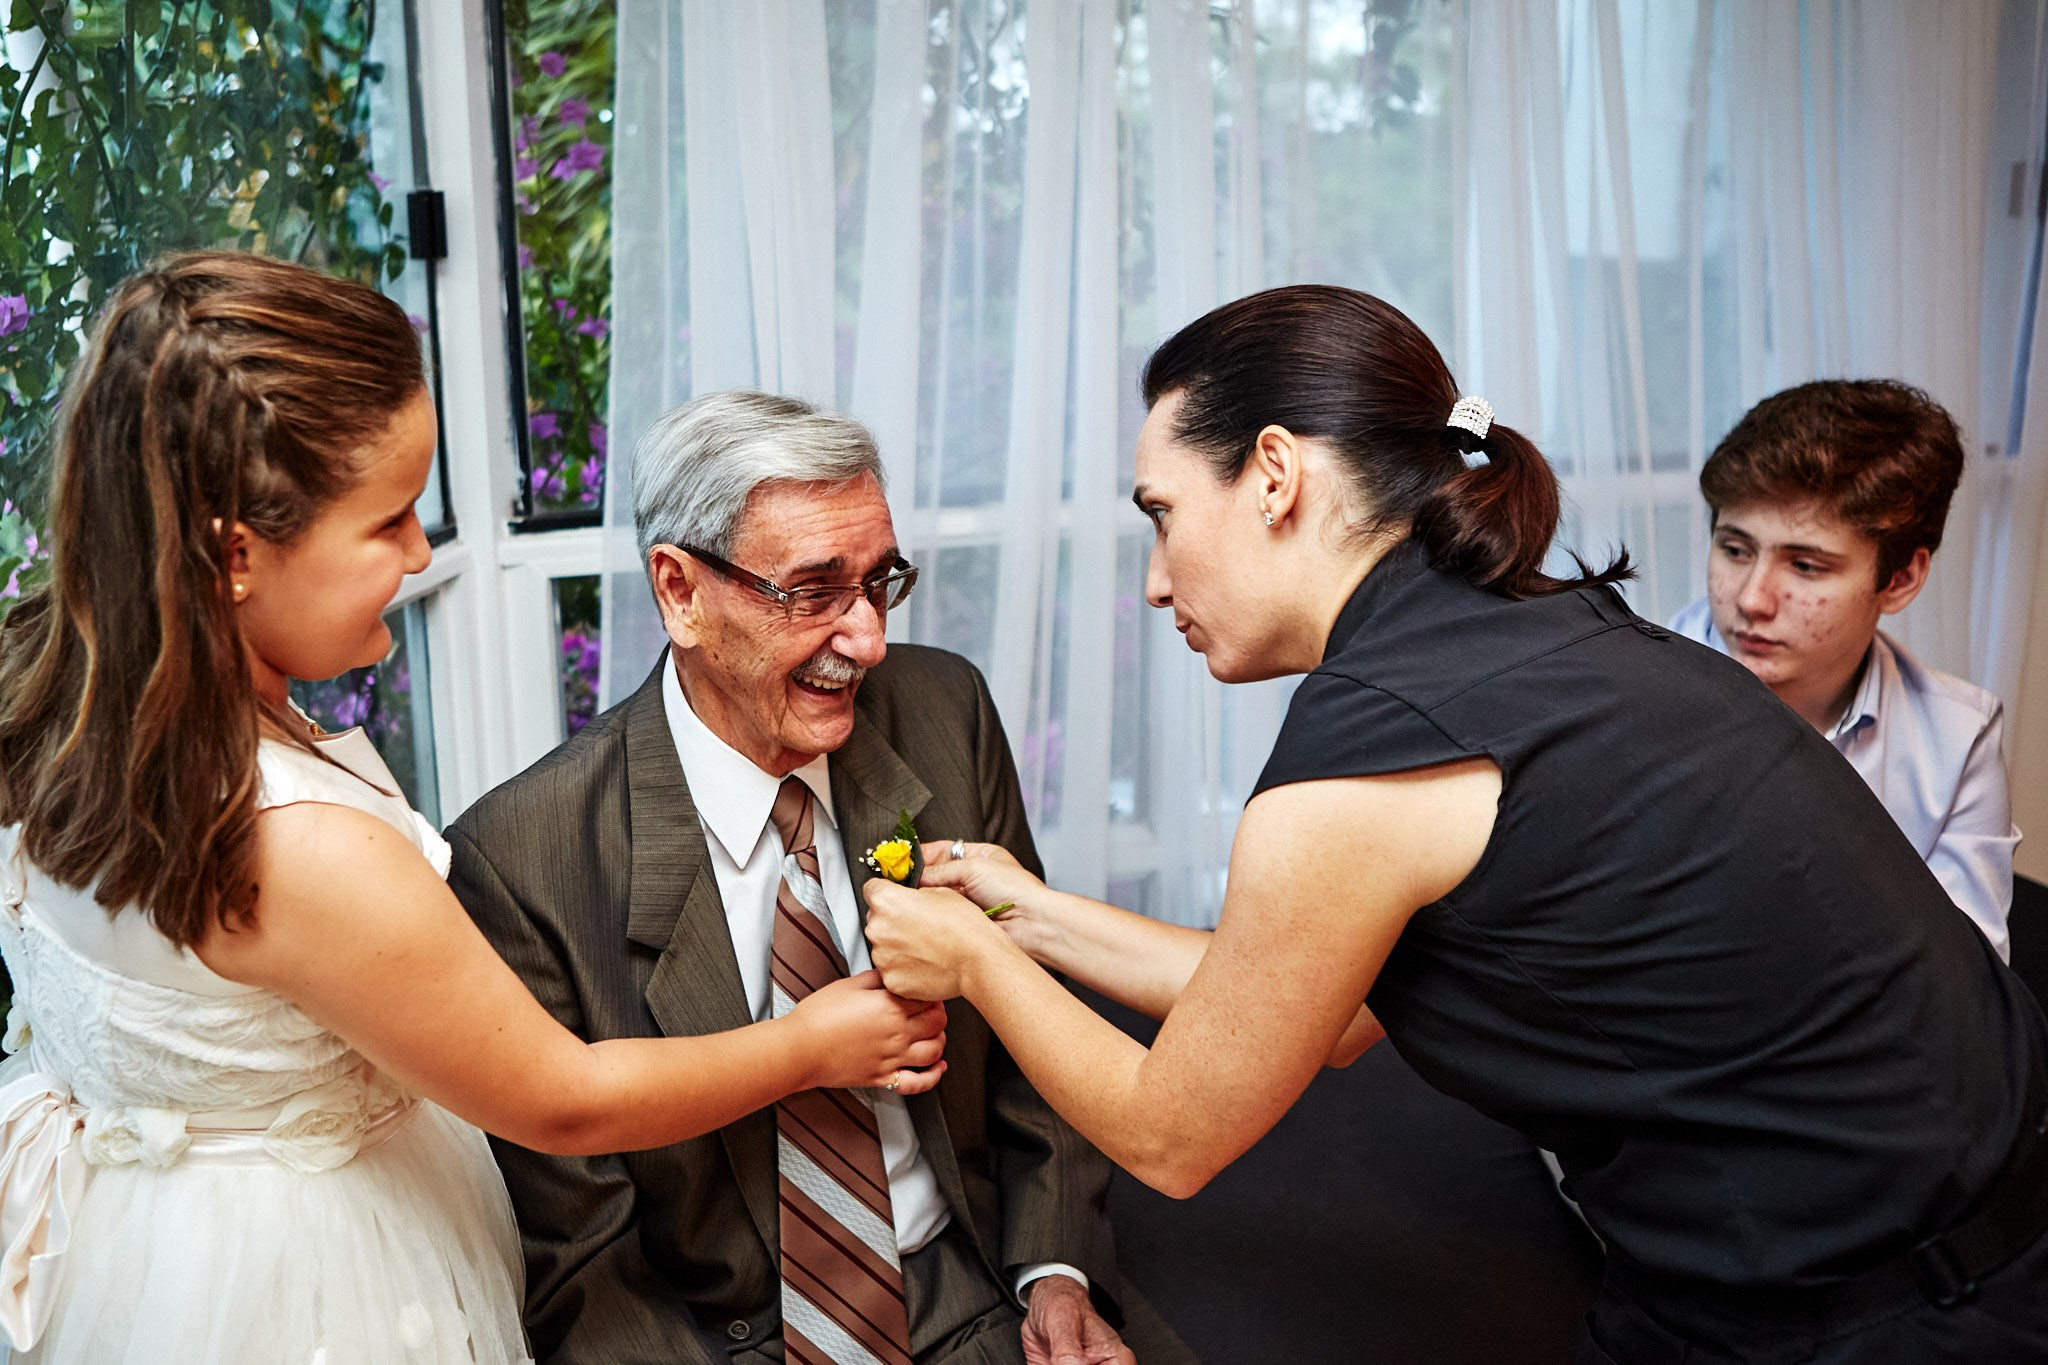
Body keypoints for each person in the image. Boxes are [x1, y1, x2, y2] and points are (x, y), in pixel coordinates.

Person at [860, 284, 2048, 1365]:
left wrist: (969, 962)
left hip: (1897, 1305)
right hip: (1874, 1238)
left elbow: (1173, 1135)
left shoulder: (1368, 752)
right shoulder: (1528, 628)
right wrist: (1024, 914)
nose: (1157, 579)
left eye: (1162, 515)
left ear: (1272, 475)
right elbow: (1311, 1014)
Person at [0, 254, 947, 1364]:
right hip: (315, 1295)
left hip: (137, 1238)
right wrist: (807, 1045)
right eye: (389, 521)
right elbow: (564, 1100)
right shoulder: (299, 848)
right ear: (236, 553)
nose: (419, 552)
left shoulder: (55, 703)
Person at [448, 391, 1188, 1365]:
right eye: (812, 591)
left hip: (980, 1296)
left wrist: (1055, 1275)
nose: (867, 639)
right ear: (679, 590)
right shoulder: (522, 859)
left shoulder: (944, 709)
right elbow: (588, 1266)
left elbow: (1032, 1048)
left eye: (879, 582)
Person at [1668, 380, 2018, 958]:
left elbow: (1963, 985)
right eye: (1735, 549)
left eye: (1805, 566)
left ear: (1900, 579)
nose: (1752, 599)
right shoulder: (1618, 692)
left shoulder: (1958, 740)